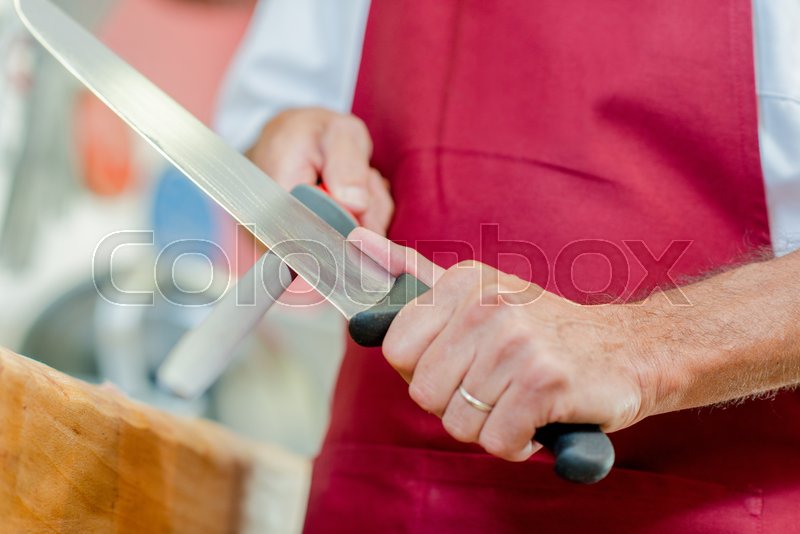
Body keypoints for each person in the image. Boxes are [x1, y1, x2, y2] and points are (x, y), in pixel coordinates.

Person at [216, 0, 800, 531]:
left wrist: (639, 349)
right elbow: (270, 161)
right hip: (378, 498)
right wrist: (291, 158)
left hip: (702, 508)